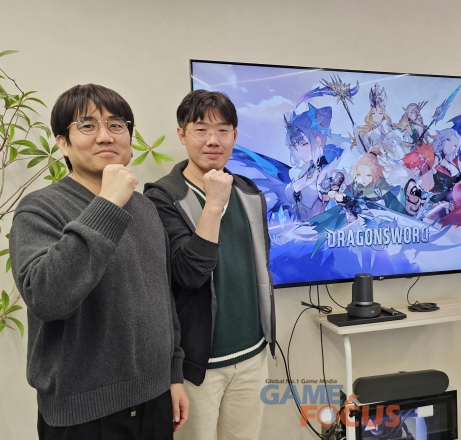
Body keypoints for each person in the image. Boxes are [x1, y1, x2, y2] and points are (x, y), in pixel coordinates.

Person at [9, 84, 188, 440]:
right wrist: (107, 205)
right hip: (83, 413)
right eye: (87, 125)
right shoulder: (39, 208)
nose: (105, 136)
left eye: (116, 125)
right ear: (63, 143)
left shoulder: (146, 207)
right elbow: (46, 297)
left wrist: (173, 374)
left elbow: (161, 297)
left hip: (154, 398)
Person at [144, 90, 276, 440]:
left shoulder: (249, 192)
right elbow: (188, 274)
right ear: (182, 134)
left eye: (223, 130)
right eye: (201, 129)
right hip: (197, 365)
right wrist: (214, 205)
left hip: (252, 354)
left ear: (235, 135)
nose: (213, 140)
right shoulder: (162, 198)